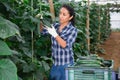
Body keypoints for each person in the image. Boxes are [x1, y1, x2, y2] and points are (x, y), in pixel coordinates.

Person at [40, 4, 78, 80]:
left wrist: (55, 34)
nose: (60, 16)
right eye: (60, 13)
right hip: (55, 64)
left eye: (64, 14)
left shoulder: (72, 30)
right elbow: (42, 31)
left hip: (66, 66)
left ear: (70, 17)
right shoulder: (55, 26)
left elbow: (65, 45)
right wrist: (40, 20)